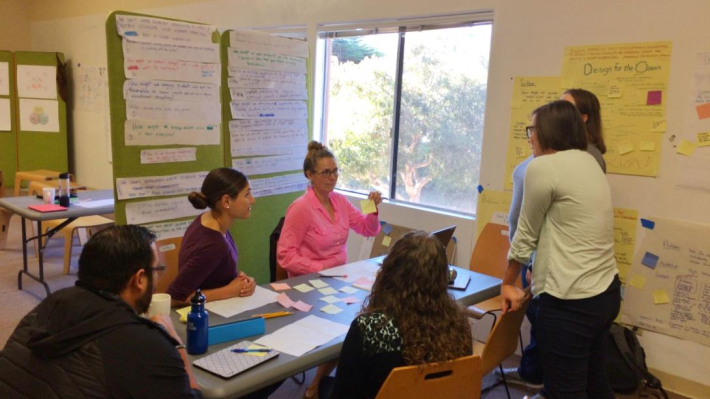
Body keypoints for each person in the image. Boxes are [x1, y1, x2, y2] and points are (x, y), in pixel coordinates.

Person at [502, 100, 620, 399]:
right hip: (606, 294)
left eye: (533, 129)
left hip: (570, 303)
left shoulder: (543, 167)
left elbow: (525, 234)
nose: (530, 137)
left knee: (563, 392)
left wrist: (507, 282)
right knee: (595, 383)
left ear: (549, 132)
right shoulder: (589, 161)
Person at [0, 225, 202, 398]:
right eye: (157, 270)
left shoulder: (51, 304)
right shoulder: (145, 345)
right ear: (139, 279)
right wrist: (176, 344)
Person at [277, 141, 382, 398]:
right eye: (325, 172)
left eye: (335, 171)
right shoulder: (301, 208)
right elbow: (285, 255)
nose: (332, 177)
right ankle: (316, 385)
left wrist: (373, 208)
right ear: (309, 175)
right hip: (308, 285)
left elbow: (368, 229)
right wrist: (320, 267)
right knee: (344, 330)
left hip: (338, 281)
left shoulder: (340, 202)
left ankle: (317, 384)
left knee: (352, 327)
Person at [317, 231, 472, 399]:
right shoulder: (458, 323)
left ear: (390, 272)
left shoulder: (370, 329)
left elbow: (343, 394)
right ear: (442, 277)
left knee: (325, 384)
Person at [168, 167, 257, 305]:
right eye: (247, 195)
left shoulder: (211, 220)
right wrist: (230, 290)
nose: (252, 200)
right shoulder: (214, 243)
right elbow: (175, 297)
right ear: (226, 201)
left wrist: (241, 283)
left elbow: (214, 271)